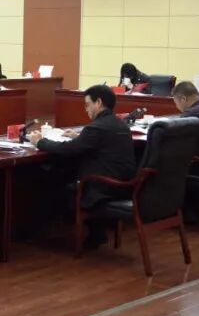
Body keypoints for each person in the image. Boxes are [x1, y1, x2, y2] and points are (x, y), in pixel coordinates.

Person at [27, 85, 136, 248]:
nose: (86, 109)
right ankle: (95, 232)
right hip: (123, 184)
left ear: (98, 103)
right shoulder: (120, 124)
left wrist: (40, 142)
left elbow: (68, 149)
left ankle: (38, 233)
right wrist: (79, 137)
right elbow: (99, 143)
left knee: (50, 180)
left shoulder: (97, 127)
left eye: (87, 105)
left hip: (102, 187)